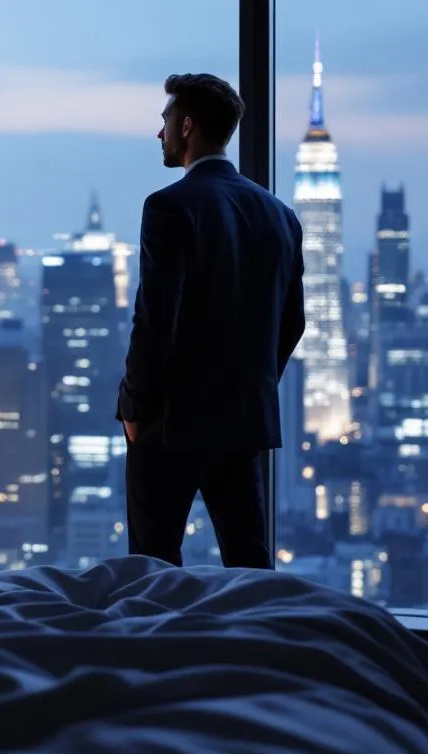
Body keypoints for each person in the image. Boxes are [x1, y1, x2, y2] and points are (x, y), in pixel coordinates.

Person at [117, 73, 305, 569]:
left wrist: (134, 407)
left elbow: (156, 321)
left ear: (188, 125)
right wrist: (250, 384)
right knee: (249, 563)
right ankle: (261, 645)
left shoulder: (168, 207)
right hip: (242, 420)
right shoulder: (280, 215)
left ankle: (160, 648)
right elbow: (293, 323)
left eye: (165, 121)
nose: (160, 133)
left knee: (153, 569)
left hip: (170, 423)